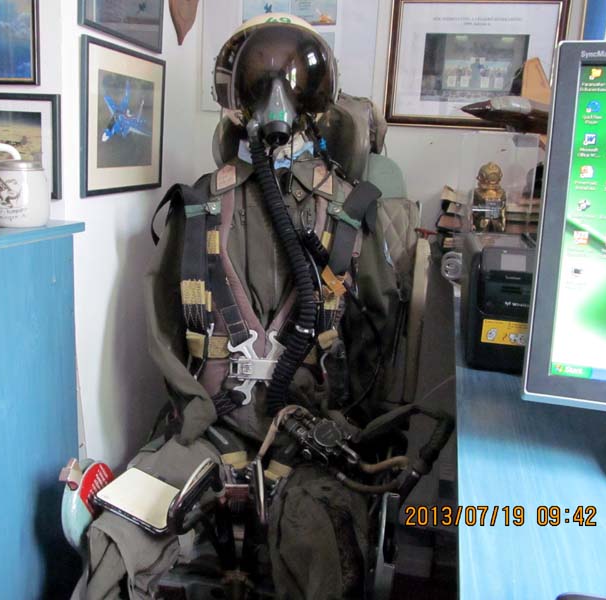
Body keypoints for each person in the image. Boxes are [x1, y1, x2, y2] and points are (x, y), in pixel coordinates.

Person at [76, 14, 448, 600]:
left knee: (325, 556)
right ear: (238, 100)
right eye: (259, 78)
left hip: (314, 442)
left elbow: (376, 340)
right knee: (114, 543)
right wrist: (193, 413)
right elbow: (165, 331)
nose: (277, 98)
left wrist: (346, 424)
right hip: (208, 429)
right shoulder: (198, 207)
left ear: (318, 100)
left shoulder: (354, 215)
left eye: (293, 78)